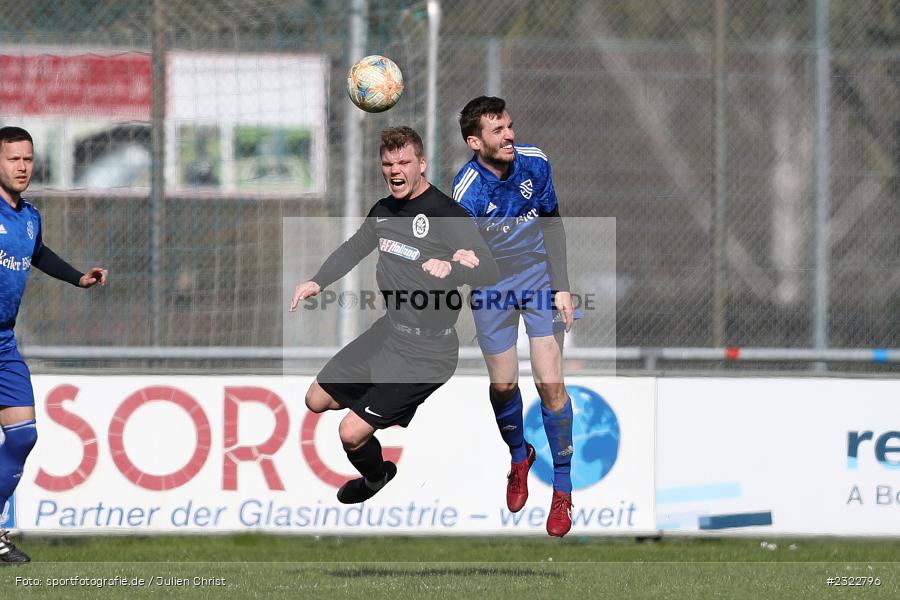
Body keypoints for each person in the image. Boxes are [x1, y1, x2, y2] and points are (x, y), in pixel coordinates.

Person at [289, 126, 498, 504]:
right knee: (315, 400)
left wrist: (456, 270)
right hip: (389, 334)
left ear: (422, 164)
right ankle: (374, 406)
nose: (394, 169)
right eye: (388, 163)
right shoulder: (384, 211)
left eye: (403, 161)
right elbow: (354, 248)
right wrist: (317, 281)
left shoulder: (446, 214)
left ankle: (376, 476)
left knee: (350, 432)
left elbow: (488, 270)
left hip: (426, 354)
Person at [452, 96, 575, 537]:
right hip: (492, 285)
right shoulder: (467, 191)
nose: (509, 136)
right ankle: (519, 457)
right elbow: (465, 254)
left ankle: (562, 490)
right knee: (503, 384)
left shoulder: (535, 163)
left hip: (538, 276)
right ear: (474, 141)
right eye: (498, 131)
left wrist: (561, 285)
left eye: (509, 126)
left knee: (549, 383)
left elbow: (552, 222)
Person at [0, 126, 108, 562]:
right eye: (13, 159)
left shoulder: (29, 217)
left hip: (4, 343)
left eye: (28, 159)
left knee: (23, 436)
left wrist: (79, 277)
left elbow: (39, 253)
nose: (23, 167)